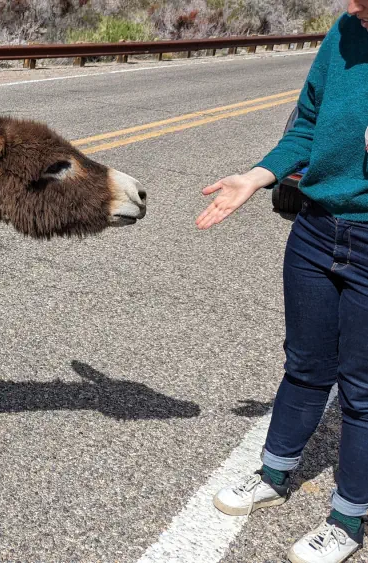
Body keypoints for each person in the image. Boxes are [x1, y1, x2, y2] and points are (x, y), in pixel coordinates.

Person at [196, 3, 368, 562]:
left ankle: (346, 518)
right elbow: (309, 125)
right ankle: (274, 474)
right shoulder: (345, 32)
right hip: (317, 231)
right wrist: (255, 176)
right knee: (304, 363)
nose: (350, 7)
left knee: (361, 390)